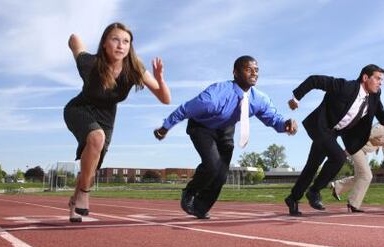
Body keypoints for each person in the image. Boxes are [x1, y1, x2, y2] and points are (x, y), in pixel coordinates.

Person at [154, 55, 297, 219]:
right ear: (235, 73)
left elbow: (273, 119)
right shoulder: (214, 96)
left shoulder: (259, 99)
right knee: (212, 165)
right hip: (202, 127)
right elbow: (185, 109)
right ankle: (190, 192)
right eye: (248, 69)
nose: (254, 73)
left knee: (221, 174)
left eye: (256, 70)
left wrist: (285, 124)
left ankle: (201, 206)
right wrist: (165, 128)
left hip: (226, 129)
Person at [64, 22, 171, 222]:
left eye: (126, 41)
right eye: (115, 39)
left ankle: (74, 201)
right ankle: (85, 194)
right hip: (79, 110)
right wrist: (74, 37)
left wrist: (160, 79)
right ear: (105, 43)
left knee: (92, 168)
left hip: (106, 118)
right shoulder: (91, 63)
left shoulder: (134, 68)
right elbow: (75, 44)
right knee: (97, 137)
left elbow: (165, 99)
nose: (120, 45)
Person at [285, 64, 384, 216]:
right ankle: (314, 191)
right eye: (377, 78)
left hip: (335, 133)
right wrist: (296, 97)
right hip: (321, 127)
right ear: (365, 78)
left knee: (312, 166)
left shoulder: (375, 96)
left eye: (381, 80)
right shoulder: (345, 86)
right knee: (338, 157)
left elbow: (381, 115)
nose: (380, 82)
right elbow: (314, 80)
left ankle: (293, 198)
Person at [331, 123, 384, 212]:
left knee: (360, 177)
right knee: (367, 176)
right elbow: (364, 135)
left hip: (363, 151)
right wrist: (347, 151)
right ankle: (353, 203)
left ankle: (337, 186)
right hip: (357, 149)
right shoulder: (380, 127)